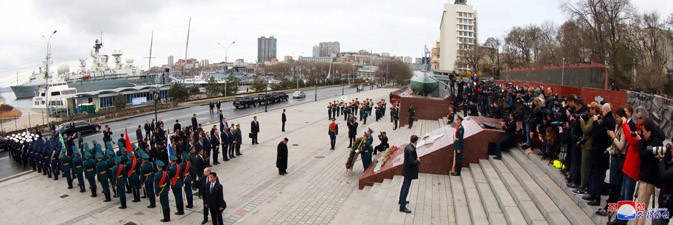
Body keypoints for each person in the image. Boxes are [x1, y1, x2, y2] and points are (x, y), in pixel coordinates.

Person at [399, 135, 419, 214]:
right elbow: (412, 162)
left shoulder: (408, 146)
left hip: (406, 170)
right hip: (409, 171)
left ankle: (401, 200)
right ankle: (402, 207)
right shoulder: (411, 149)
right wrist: (417, 161)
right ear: (415, 141)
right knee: (406, 188)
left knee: (404, 185)